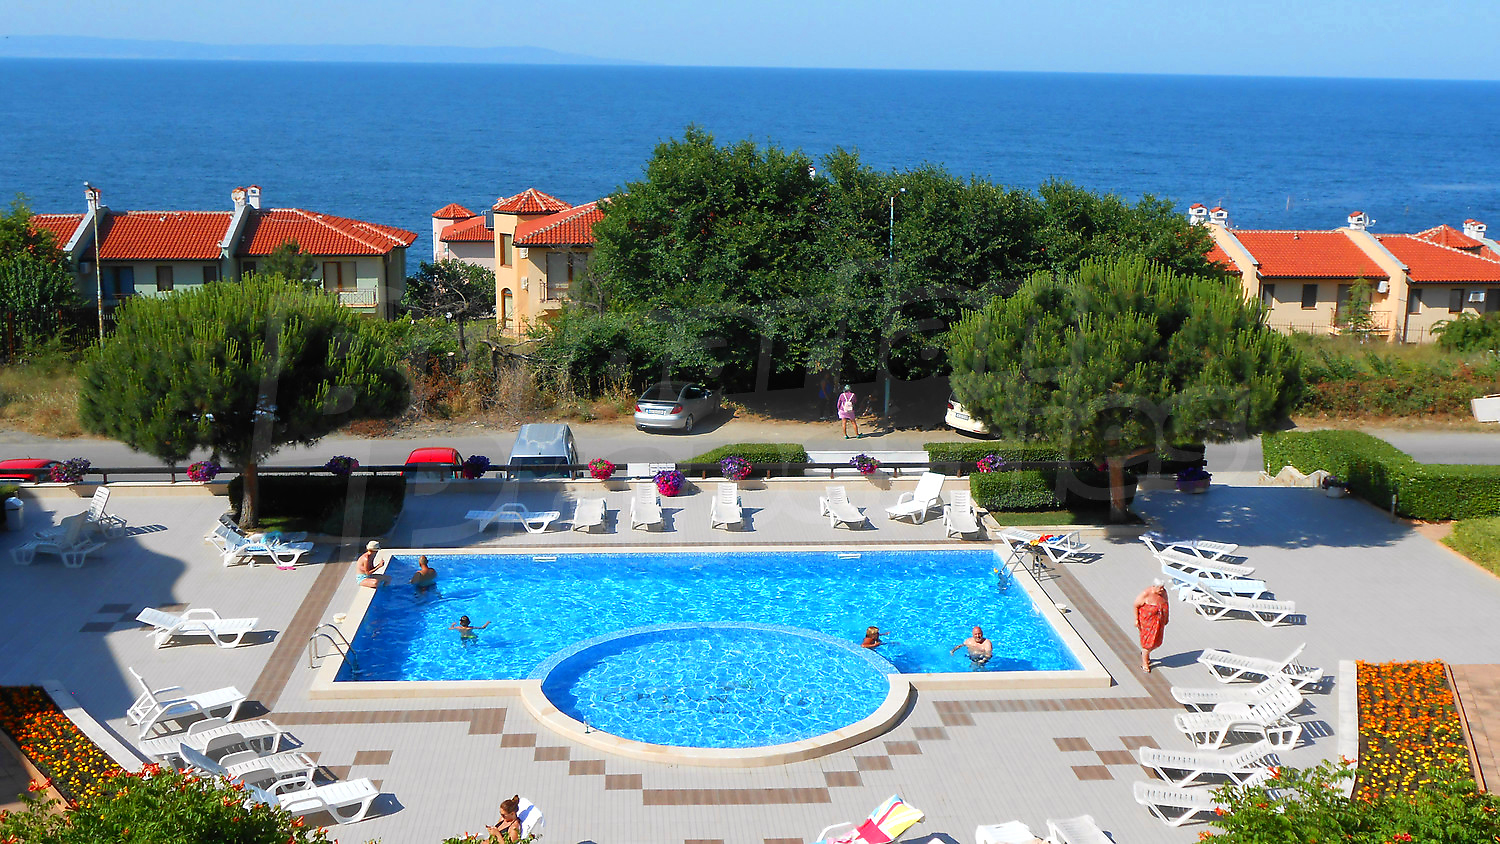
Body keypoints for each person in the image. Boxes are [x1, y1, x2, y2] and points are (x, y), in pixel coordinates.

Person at [1134, 580, 1171, 673]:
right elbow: (1136, 605)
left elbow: (1166, 603)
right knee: (1147, 644)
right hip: (1147, 622)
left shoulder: (1163, 593)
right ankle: (1145, 663)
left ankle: (1146, 653)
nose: (1162, 590)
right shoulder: (1145, 594)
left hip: (1159, 622)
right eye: (1160, 588)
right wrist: (1136, 619)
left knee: (1157, 642)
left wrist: (1166, 617)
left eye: (1163, 587)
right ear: (1154, 586)